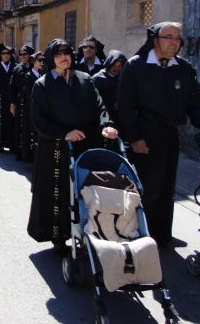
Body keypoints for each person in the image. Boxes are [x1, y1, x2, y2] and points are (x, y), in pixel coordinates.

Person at [117, 22, 200, 246]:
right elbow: (125, 106)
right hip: (144, 136)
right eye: (169, 37)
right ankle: (140, 236)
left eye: (178, 38)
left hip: (169, 135)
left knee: (166, 187)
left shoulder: (183, 69)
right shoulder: (136, 66)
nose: (174, 42)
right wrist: (135, 138)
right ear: (155, 39)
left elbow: (196, 100)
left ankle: (162, 235)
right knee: (145, 187)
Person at [27, 39, 118, 254]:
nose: (63, 57)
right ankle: (58, 236)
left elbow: (99, 105)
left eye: (66, 52)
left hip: (86, 142)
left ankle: (91, 232)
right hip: (56, 147)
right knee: (58, 193)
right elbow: (38, 119)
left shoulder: (85, 79)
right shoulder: (42, 84)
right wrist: (64, 133)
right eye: (58, 53)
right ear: (51, 58)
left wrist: (107, 125)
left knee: (88, 189)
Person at [92, 50, 127, 137]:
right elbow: (95, 99)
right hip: (104, 116)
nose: (117, 69)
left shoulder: (124, 78)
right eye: (114, 65)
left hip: (121, 118)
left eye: (120, 66)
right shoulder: (98, 78)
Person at [9, 44, 34, 160]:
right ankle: (19, 152)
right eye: (21, 54)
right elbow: (12, 87)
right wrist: (12, 103)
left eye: (25, 54)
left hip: (33, 102)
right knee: (20, 127)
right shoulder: (17, 68)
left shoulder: (35, 67)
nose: (23, 56)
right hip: (20, 102)